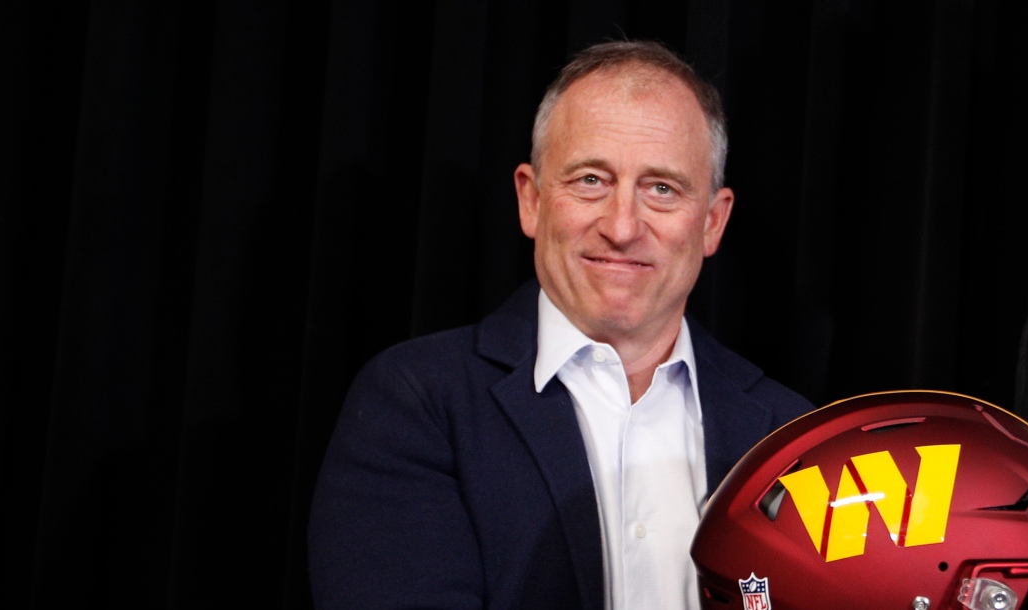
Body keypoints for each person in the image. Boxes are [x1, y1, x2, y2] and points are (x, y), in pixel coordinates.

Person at [308, 40, 813, 610]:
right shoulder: (419, 404)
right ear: (532, 200)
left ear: (712, 223)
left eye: (662, 189)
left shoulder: (793, 436)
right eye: (591, 180)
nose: (622, 227)